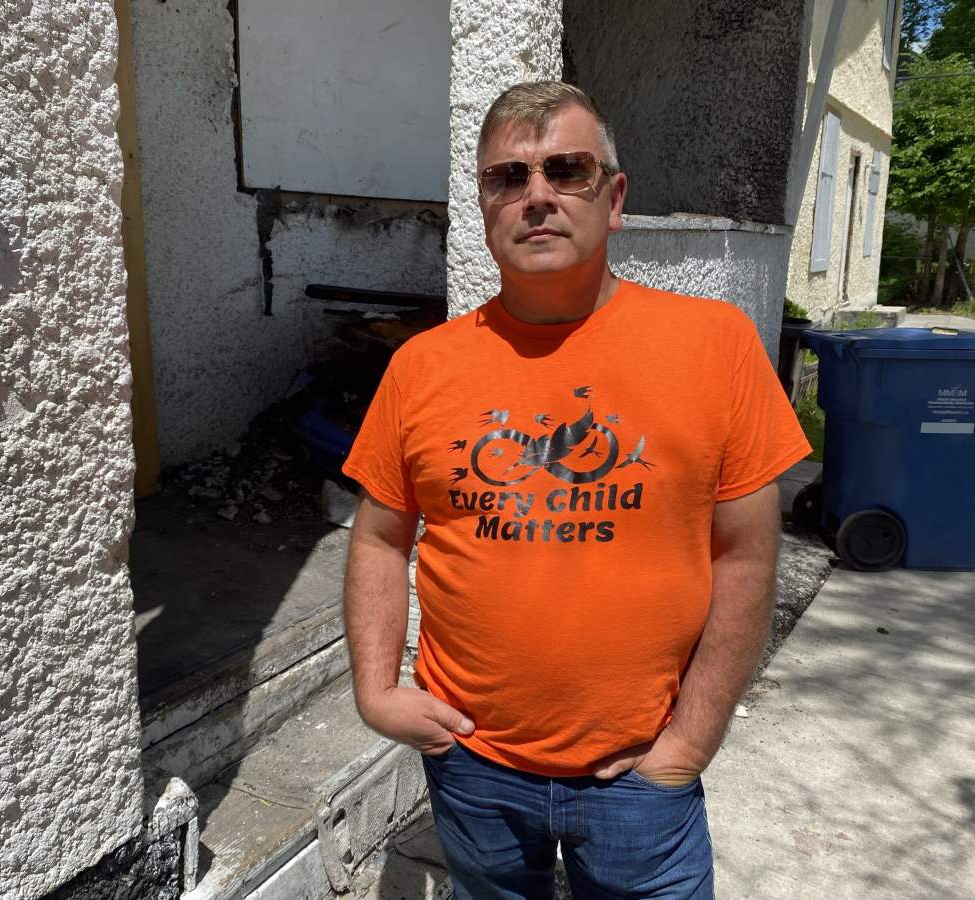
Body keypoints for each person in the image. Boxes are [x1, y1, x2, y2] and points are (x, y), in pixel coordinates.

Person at [340, 81, 810, 899]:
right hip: (471, 761)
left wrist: (689, 745)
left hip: (640, 774)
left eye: (566, 170)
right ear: (483, 205)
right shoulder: (422, 367)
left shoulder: (715, 346)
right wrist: (377, 693)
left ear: (614, 198)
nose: (537, 196)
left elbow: (745, 559)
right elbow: (380, 538)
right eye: (508, 177)